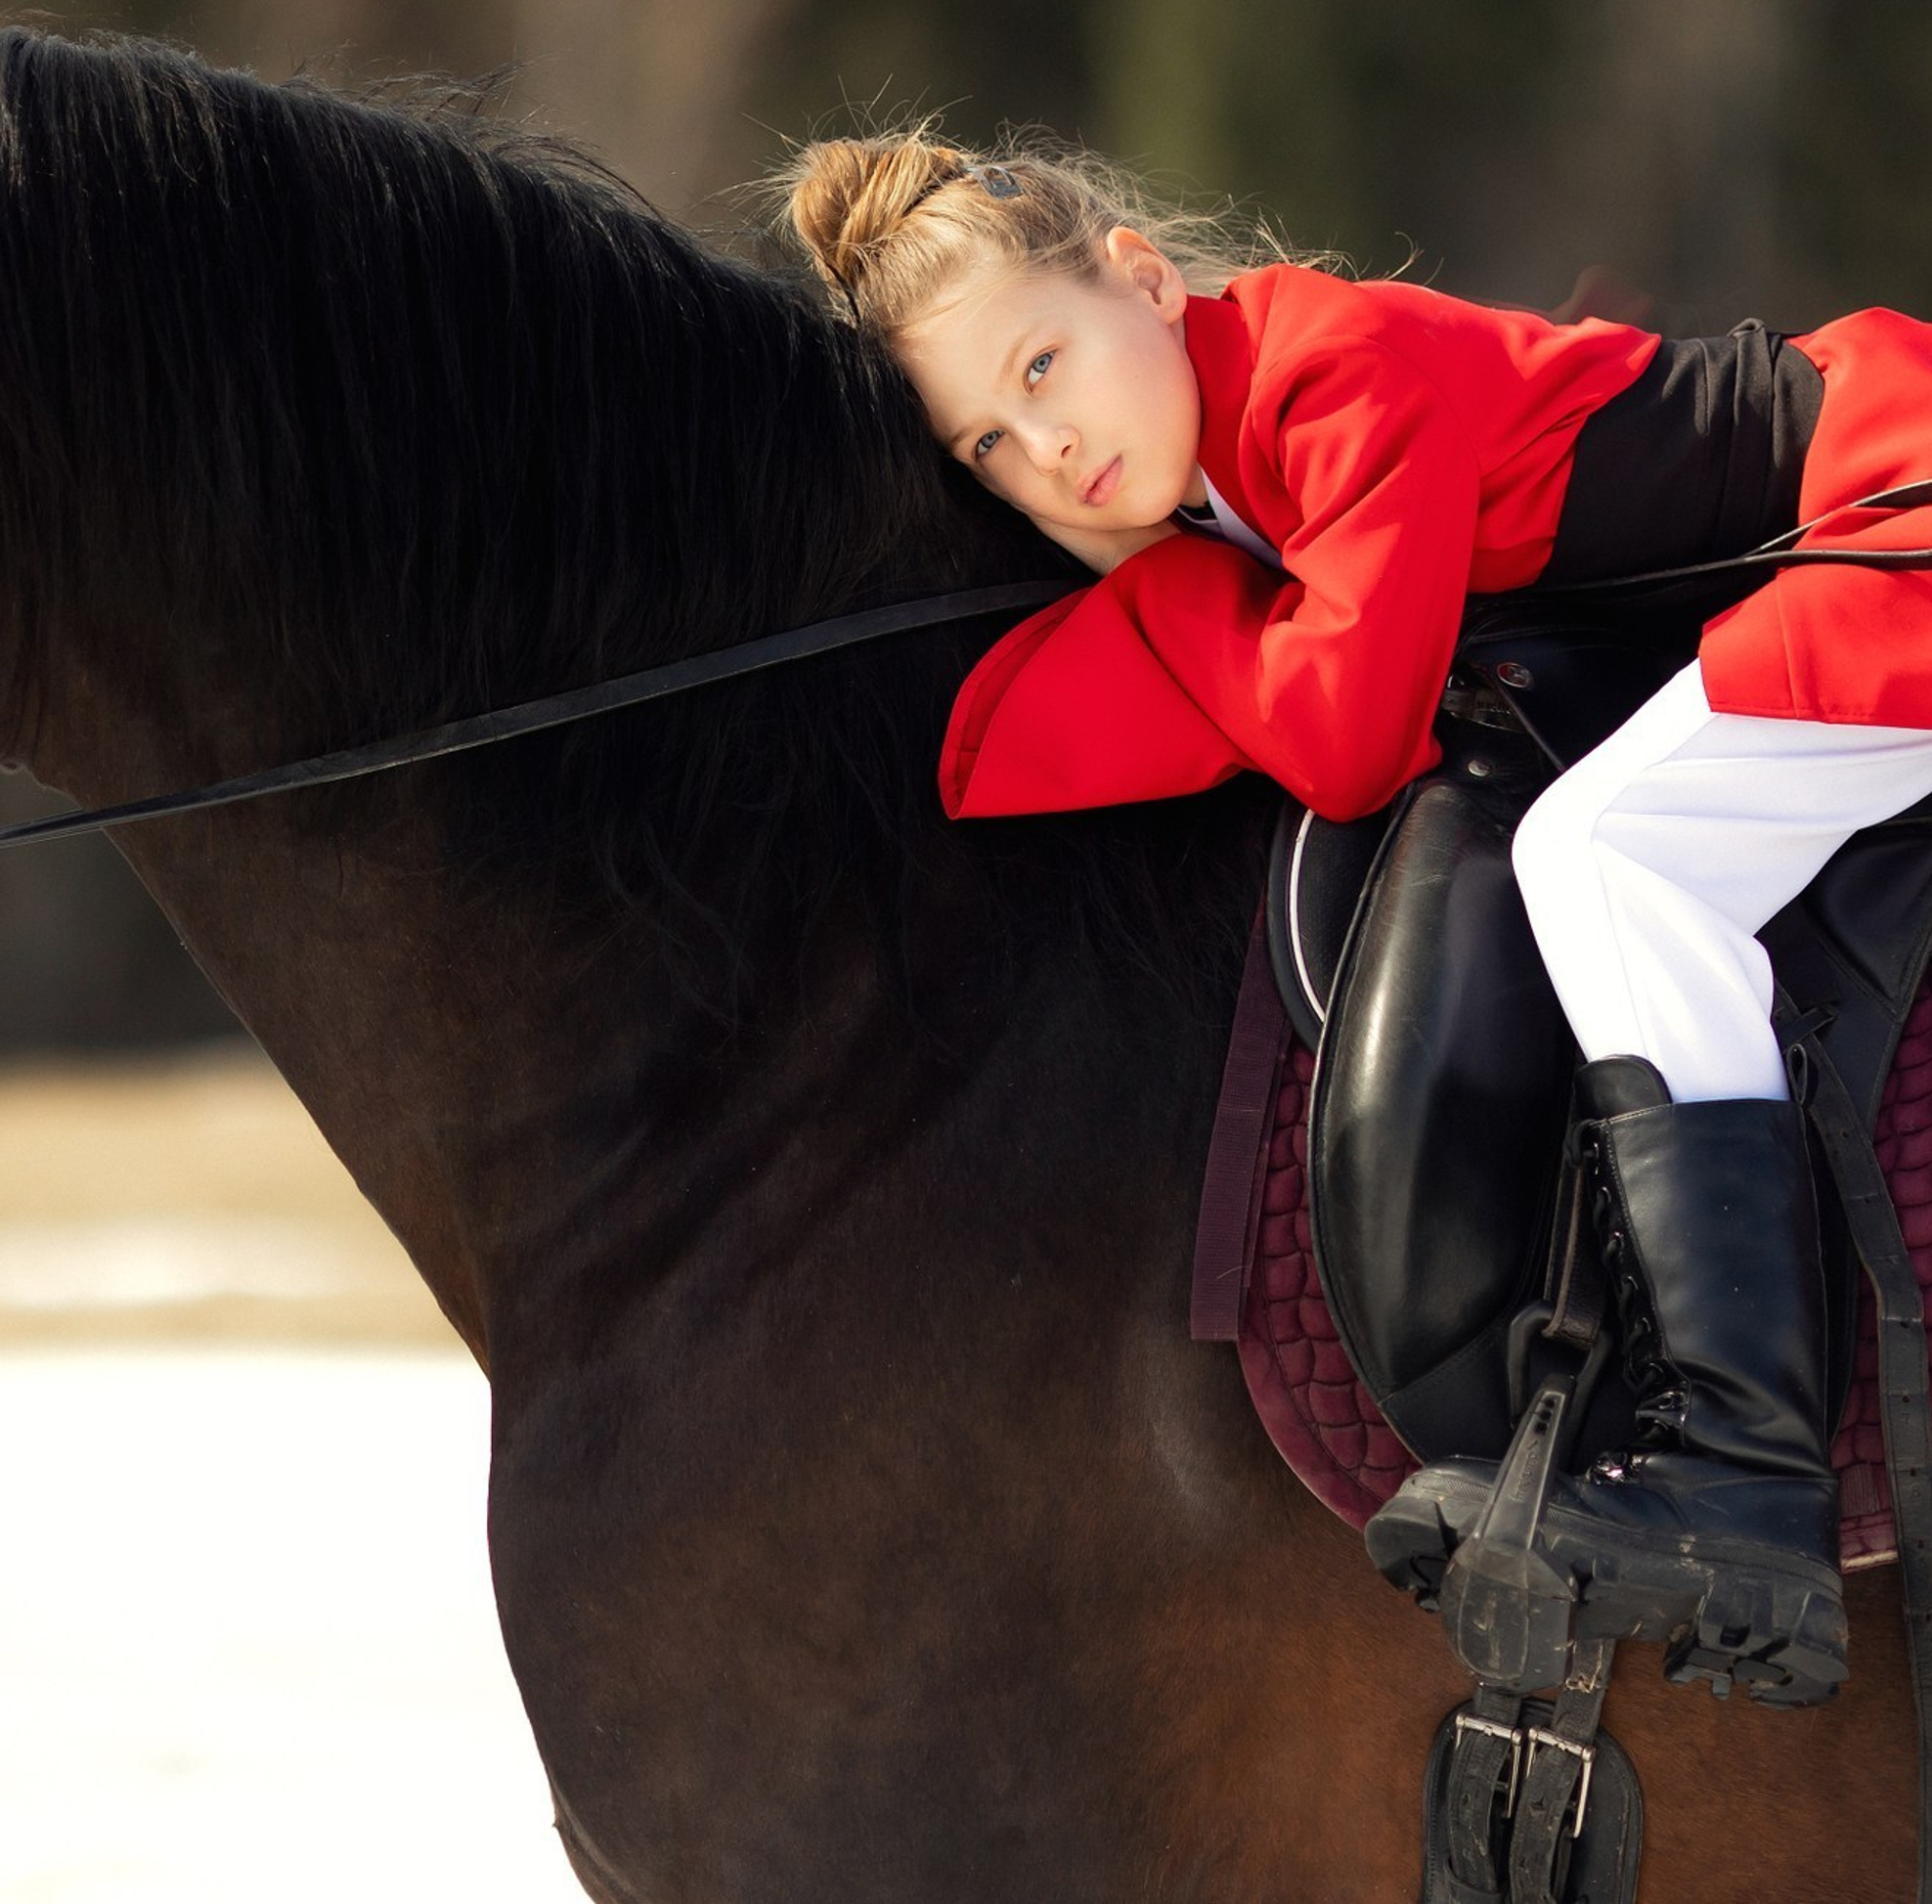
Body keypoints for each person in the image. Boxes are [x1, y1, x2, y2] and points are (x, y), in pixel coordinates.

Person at [780, 128, 1932, 1708]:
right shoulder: (1223, 474)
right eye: (986, 442)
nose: (1043, 449)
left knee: (1606, 856)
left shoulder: (1333, 369)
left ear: (1141, 276)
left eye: (1043, 364)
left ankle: (1746, 1464)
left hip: (1892, 509)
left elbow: (1344, 740)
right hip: (1819, 554)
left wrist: (1177, 599)